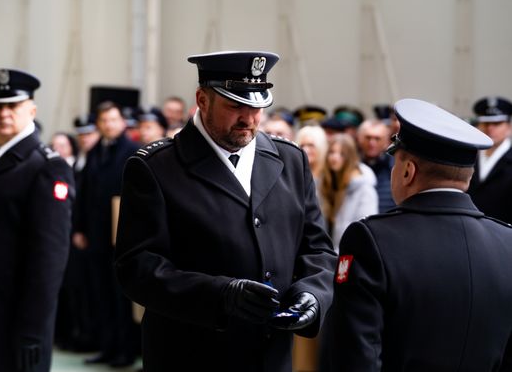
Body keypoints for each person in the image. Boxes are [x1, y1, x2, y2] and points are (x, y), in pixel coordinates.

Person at [115, 51, 336, 372]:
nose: (249, 119)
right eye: (235, 106)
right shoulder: (156, 167)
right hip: (190, 355)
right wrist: (220, 295)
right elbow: (137, 268)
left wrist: (313, 294)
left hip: (270, 357)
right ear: (202, 100)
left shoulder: (290, 160)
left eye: (257, 107)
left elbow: (318, 250)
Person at [319, 98, 512, 371]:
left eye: (396, 163)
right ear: (467, 178)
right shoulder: (507, 242)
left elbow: (353, 354)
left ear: (408, 171)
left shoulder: (371, 240)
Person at [0, 68, 74, 371]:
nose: (3, 113)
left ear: (31, 110)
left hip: (14, 319)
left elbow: (49, 260)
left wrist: (33, 330)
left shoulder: (47, 167)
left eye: (13, 105)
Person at [73, 101, 141, 367]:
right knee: (99, 293)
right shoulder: (93, 152)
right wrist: (79, 228)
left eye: (113, 119)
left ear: (122, 122)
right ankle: (106, 346)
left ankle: (125, 350)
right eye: (104, 120)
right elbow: (84, 194)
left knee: (120, 295)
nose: (109, 125)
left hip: (122, 236)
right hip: (96, 235)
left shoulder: (134, 151)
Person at [320, 133, 378, 252]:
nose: (334, 157)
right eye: (331, 152)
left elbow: (364, 234)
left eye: (342, 154)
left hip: (348, 257)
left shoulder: (364, 189)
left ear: (350, 157)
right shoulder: (328, 184)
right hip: (328, 256)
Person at [467, 96, 512, 224]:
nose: (490, 128)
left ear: (509, 127)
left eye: (497, 124)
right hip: (469, 227)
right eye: (485, 123)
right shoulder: (468, 156)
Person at [357, 119, 396, 212]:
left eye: (377, 139)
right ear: (359, 139)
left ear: (386, 142)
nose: (372, 143)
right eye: (368, 138)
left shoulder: (394, 167)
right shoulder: (352, 166)